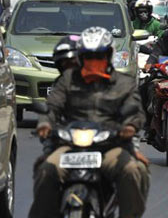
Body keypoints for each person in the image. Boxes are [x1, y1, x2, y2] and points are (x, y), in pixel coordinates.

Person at [30, 26, 150, 218]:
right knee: (46, 170)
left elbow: (135, 111)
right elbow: (52, 106)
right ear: (80, 56)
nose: (94, 62)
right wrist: (44, 124)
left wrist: (129, 126)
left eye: (99, 56)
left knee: (132, 170)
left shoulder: (124, 83)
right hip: (71, 144)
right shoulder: (68, 80)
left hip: (111, 145)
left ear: (109, 55)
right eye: (89, 56)